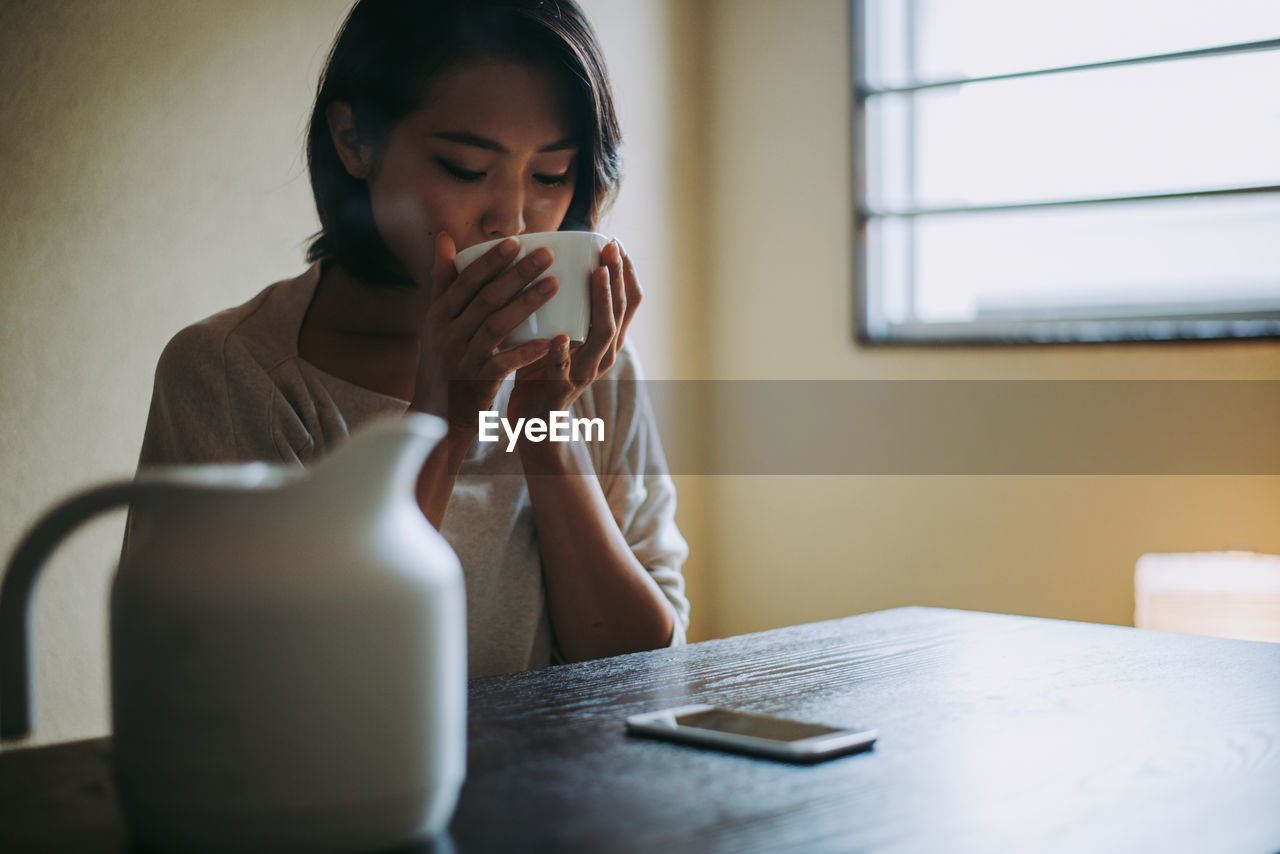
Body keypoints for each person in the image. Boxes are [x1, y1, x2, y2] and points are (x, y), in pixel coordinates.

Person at [132, 0, 689, 677]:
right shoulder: (239, 374)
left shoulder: (588, 363)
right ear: (354, 141)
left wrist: (545, 423)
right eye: (463, 167)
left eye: (550, 176)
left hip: (560, 781)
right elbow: (292, 686)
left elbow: (641, 669)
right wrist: (444, 417)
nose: (510, 221)